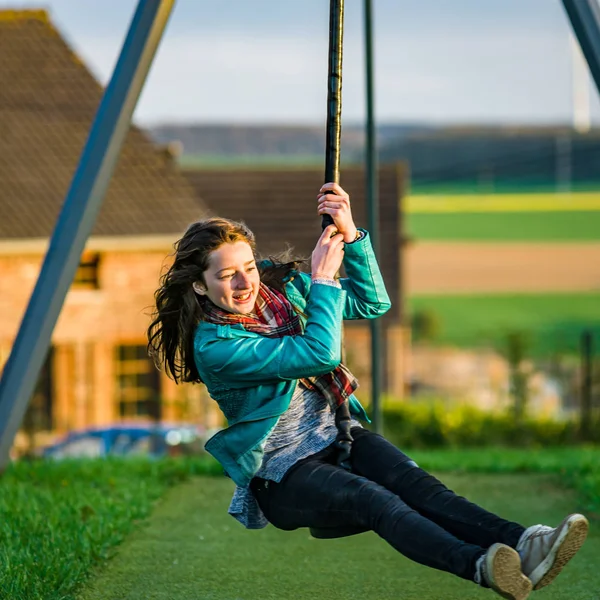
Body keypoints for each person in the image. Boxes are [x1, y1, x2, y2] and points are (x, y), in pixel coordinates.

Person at [147, 182, 588, 600]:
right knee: (377, 501)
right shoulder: (216, 347)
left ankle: (527, 545)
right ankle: (482, 566)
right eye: (227, 276)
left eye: (248, 268)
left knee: (425, 490)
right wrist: (321, 280)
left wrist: (351, 234)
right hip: (282, 474)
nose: (245, 284)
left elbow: (373, 302)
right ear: (200, 285)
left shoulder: (281, 293)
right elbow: (318, 353)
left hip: (337, 435)